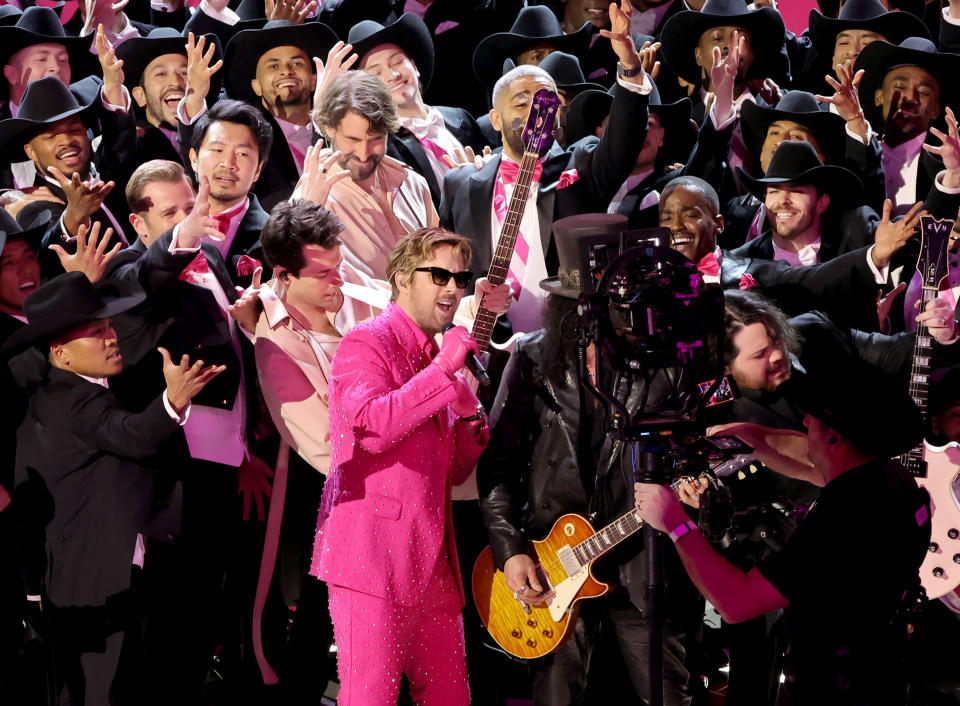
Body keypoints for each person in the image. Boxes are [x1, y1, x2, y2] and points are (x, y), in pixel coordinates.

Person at [478, 214, 704, 706]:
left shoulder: (670, 362)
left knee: (668, 695)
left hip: (644, 563)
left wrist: (695, 495)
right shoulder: (534, 359)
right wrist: (511, 549)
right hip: (554, 562)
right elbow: (496, 466)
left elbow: (701, 458)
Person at [634, 355, 932, 705]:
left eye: (813, 422)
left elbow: (737, 602)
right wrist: (750, 437)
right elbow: (808, 461)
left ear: (836, 438)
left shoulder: (843, 518)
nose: (804, 422)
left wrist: (676, 524)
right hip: (883, 675)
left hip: (832, 689)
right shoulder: (889, 479)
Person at [8, 271, 223, 706]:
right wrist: (173, 401)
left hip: (86, 569)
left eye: (108, 327)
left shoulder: (58, 390)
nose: (111, 338)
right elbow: (132, 433)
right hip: (94, 577)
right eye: (96, 332)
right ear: (61, 353)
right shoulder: (76, 399)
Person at [311, 227, 489, 705]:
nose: (454, 288)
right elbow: (369, 427)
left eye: (460, 278)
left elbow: (451, 472)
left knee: (451, 697)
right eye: (440, 275)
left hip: (430, 559)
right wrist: (442, 373)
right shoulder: (365, 343)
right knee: (370, 698)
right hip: (372, 558)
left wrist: (471, 418)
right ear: (402, 279)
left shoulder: (437, 356)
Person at [441, 0, 654, 335]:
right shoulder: (461, 183)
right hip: (489, 345)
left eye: (545, 101)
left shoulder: (581, 164)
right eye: (521, 102)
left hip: (568, 340)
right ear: (495, 119)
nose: (533, 111)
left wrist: (628, 66)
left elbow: (624, 140)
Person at [311, 70, 438, 280]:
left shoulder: (413, 183)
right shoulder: (314, 196)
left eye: (375, 139)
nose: (363, 154)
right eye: (352, 139)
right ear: (328, 128)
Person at [349, 13, 486, 206]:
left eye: (397, 62)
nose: (393, 75)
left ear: (414, 65)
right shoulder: (383, 149)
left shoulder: (460, 118)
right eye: (376, 73)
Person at [181, 98, 273, 284]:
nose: (228, 163)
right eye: (217, 149)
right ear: (194, 159)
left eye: (242, 154)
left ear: (257, 170)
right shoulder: (168, 218)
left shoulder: (272, 238)